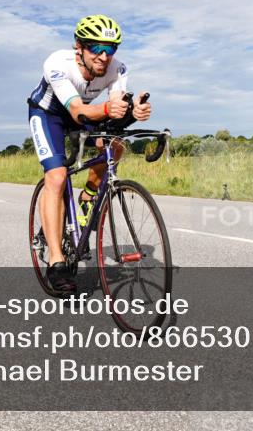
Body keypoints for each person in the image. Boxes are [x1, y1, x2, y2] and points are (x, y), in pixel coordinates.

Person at [27, 15, 151, 294]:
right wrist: (110, 109)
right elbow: (76, 111)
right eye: (96, 48)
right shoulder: (57, 63)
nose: (104, 56)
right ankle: (57, 263)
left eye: (111, 49)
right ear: (79, 46)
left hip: (84, 112)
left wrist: (134, 112)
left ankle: (87, 199)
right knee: (57, 177)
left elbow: (115, 109)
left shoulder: (117, 69)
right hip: (50, 114)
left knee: (114, 146)